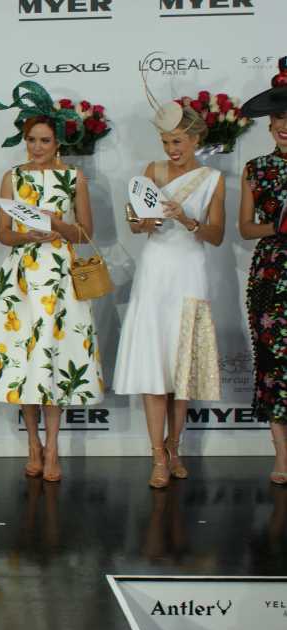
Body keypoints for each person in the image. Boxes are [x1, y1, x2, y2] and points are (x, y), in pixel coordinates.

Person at [0, 81, 104, 482]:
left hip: (60, 276)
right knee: (23, 357)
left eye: (44, 140)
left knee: (55, 356)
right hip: (22, 276)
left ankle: (53, 447)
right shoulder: (12, 177)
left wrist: (56, 224)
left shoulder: (74, 178)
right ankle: (32, 443)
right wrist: (28, 235)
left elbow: (86, 233)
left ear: (57, 141)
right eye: (31, 140)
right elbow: (3, 234)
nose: (37, 147)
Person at [114, 91, 224, 489]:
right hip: (155, 270)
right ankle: (157, 455)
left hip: (189, 272)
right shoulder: (152, 170)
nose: (171, 149)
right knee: (154, 363)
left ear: (195, 139)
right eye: (165, 142)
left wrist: (187, 218)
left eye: (177, 141)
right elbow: (135, 224)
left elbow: (216, 235)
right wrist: (147, 223)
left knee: (182, 368)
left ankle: (175, 448)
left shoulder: (212, 179)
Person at [238, 56, 287, 486]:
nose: (285, 125)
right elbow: (245, 228)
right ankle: (282, 456)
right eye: (279, 117)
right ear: (270, 123)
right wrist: (279, 227)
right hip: (271, 274)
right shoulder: (257, 169)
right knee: (274, 363)